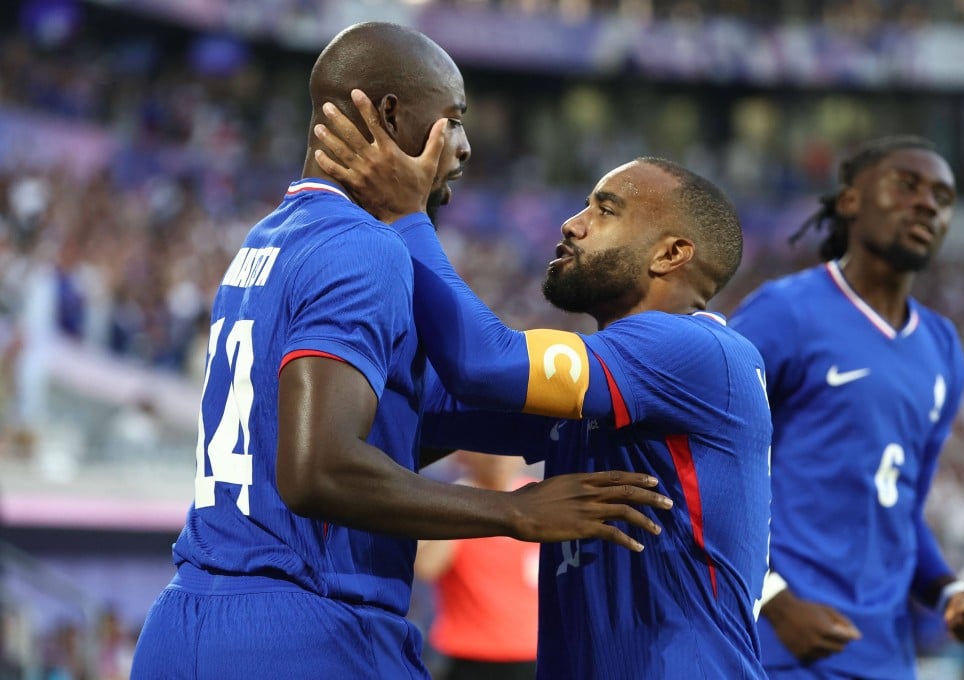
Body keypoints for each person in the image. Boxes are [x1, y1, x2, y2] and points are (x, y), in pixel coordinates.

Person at [129, 22, 674, 680]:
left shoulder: (267, 240)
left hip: (185, 623)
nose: (464, 146)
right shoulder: (365, 247)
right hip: (307, 629)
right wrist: (516, 512)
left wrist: (576, 412)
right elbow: (318, 469)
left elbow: (398, 421)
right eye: (453, 119)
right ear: (389, 116)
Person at [312, 97, 773, 679]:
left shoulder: (699, 353)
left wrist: (407, 214)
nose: (572, 224)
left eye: (606, 211)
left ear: (671, 254)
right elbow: (421, 408)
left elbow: (483, 363)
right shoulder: (610, 388)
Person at [728, 135, 964, 678]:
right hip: (779, 646)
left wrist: (947, 590)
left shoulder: (943, 349)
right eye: (907, 186)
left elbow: (902, 507)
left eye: (943, 197)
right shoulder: (784, 313)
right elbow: (706, 464)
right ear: (850, 200)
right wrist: (774, 601)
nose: (928, 204)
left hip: (885, 653)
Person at [415, 451, 540, 680]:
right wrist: (458, 505)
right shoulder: (455, 503)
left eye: (506, 450)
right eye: (489, 450)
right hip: (469, 655)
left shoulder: (539, 502)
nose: (498, 458)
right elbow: (427, 567)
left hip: (531, 653)